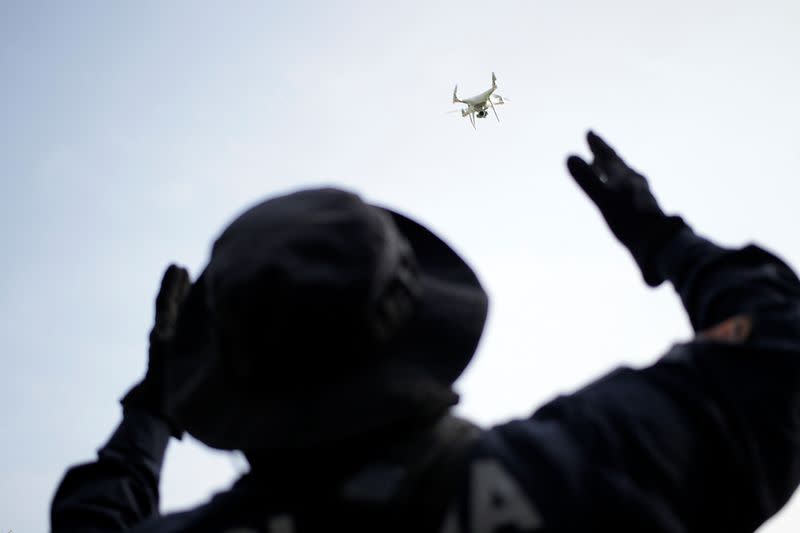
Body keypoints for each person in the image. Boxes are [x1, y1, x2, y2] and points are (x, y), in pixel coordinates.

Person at [51, 132, 800, 533]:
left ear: (220, 381)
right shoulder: (585, 471)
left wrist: (152, 405)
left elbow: (89, 521)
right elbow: (780, 346)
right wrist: (664, 239)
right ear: (415, 328)